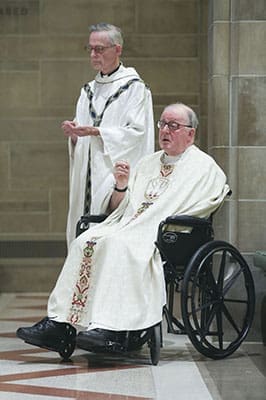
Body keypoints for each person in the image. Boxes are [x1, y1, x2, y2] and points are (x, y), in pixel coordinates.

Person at [16, 103, 230, 353]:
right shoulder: (147, 163)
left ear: (190, 133)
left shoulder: (204, 167)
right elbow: (119, 208)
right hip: (126, 225)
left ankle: (112, 328)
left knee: (119, 246)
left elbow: (203, 207)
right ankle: (61, 324)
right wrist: (120, 185)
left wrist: (153, 222)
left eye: (174, 125)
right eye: (162, 124)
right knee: (85, 241)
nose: (165, 130)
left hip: (166, 235)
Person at [61, 23, 154, 248]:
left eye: (100, 49)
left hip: (112, 175)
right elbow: (82, 139)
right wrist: (74, 135)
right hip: (87, 177)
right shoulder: (87, 91)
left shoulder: (134, 88)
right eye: (91, 49)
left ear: (118, 49)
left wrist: (96, 131)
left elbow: (137, 133)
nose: (94, 54)